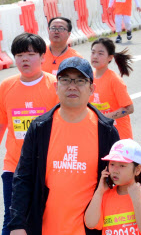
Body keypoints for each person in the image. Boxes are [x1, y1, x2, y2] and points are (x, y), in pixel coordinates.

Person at [8, 57, 120, 235]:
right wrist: (17, 224)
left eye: (80, 80)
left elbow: (118, 182)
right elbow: (23, 177)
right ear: (56, 86)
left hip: (90, 229)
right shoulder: (40, 128)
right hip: (44, 229)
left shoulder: (106, 131)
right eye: (65, 79)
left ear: (92, 88)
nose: (72, 86)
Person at [0, 34, 58, 235]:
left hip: (48, 168)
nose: (24, 59)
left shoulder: (55, 85)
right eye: (19, 55)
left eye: (31, 54)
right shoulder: (6, 86)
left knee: (45, 221)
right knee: (12, 220)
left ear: (43, 57)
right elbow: (1, 124)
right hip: (14, 168)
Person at [84, 139, 141, 235]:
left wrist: (136, 200)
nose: (115, 170)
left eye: (122, 166)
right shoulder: (105, 195)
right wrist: (99, 192)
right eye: (112, 164)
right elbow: (90, 223)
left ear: (137, 170)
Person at [89, 38, 135, 139]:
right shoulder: (89, 78)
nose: (95, 56)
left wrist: (105, 118)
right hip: (100, 135)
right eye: (93, 52)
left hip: (119, 137)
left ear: (110, 57)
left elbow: (129, 108)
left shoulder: (114, 80)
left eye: (100, 53)